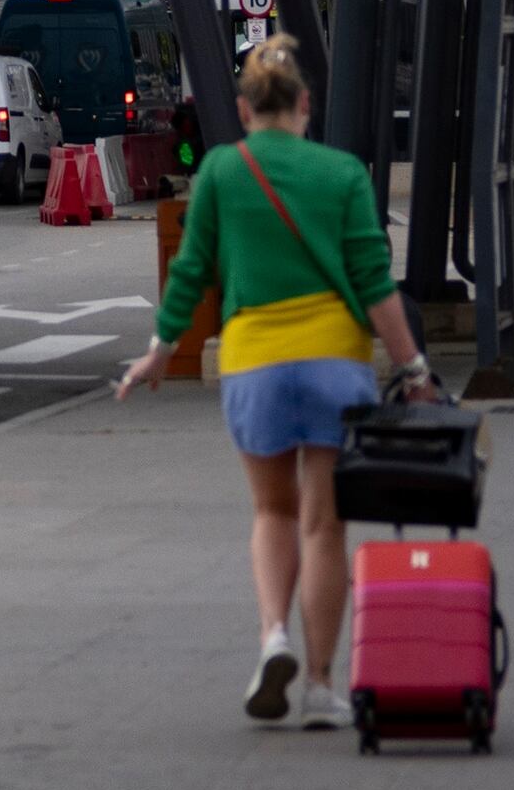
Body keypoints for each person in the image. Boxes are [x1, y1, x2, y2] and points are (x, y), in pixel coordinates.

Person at [118, 50, 437, 732]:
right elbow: (375, 281)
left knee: (272, 512)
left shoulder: (222, 171)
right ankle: (323, 685)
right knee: (326, 522)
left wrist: (159, 350)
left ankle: (273, 639)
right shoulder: (341, 172)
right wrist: (413, 369)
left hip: (255, 357)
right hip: (334, 360)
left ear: (242, 110)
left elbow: (192, 268)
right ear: (305, 106)